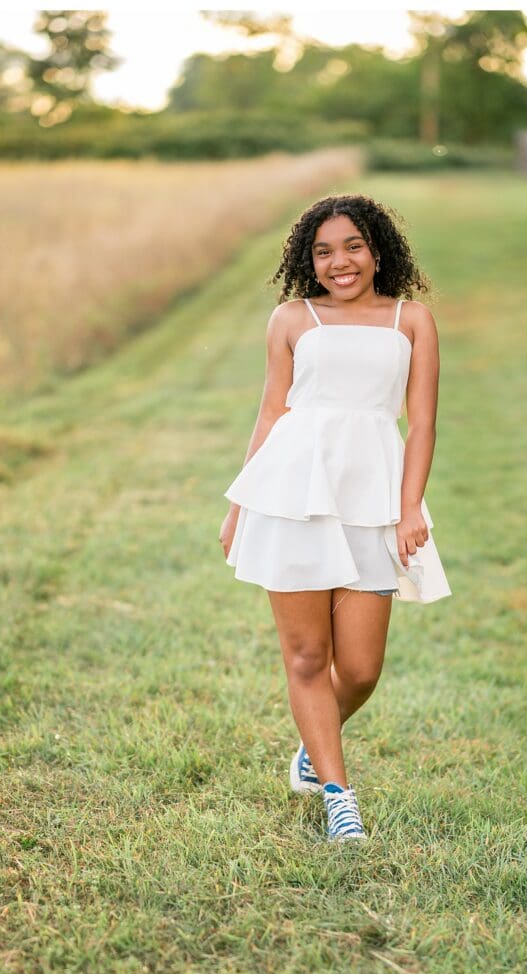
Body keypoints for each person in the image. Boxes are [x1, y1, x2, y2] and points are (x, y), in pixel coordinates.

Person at [219, 193, 452, 843]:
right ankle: (337, 792)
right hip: (291, 494)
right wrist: (241, 505)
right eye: (323, 251)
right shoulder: (291, 319)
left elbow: (423, 422)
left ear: (378, 250)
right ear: (307, 261)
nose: (339, 262)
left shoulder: (413, 321)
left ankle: (313, 745)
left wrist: (410, 509)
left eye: (352, 246)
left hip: (373, 496)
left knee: (359, 669)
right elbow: (271, 414)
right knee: (305, 658)